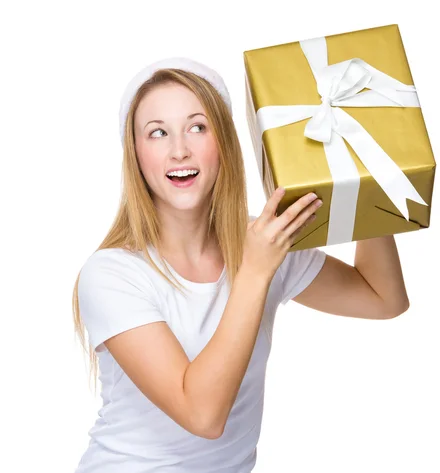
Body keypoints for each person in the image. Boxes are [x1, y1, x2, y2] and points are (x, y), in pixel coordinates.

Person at [72, 57, 411, 473]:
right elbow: (202, 415)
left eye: (198, 127)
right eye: (157, 133)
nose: (179, 149)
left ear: (225, 144)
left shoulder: (263, 242)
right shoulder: (111, 274)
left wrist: (357, 173)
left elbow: (383, 299)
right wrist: (254, 270)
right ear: (136, 156)